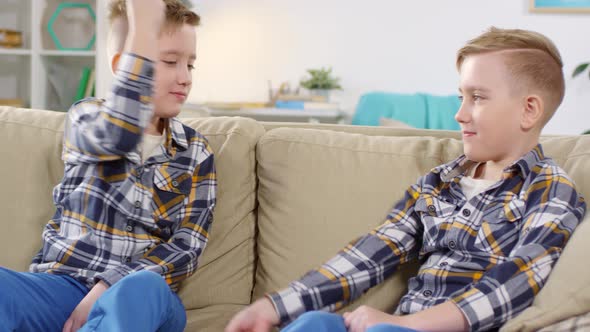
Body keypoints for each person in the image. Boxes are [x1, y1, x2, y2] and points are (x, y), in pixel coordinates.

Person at [225, 27, 587, 332]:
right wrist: (272, 307)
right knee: (316, 323)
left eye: (477, 98)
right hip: (397, 326)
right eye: (461, 96)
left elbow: (515, 284)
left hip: (431, 327)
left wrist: (408, 325)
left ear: (529, 110)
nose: (460, 114)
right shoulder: (439, 182)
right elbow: (370, 253)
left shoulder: (550, 191)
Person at [0, 1, 215, 331]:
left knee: (141, 289)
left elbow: (186, 248)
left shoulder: (197, 152)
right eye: (171, 61)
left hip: (146, 295)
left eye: (191, 65)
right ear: (123, 65)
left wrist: (108, 285)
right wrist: (143, 29)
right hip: (64, 287)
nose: (185, 78)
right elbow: (119, 134)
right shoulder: (86, 118)